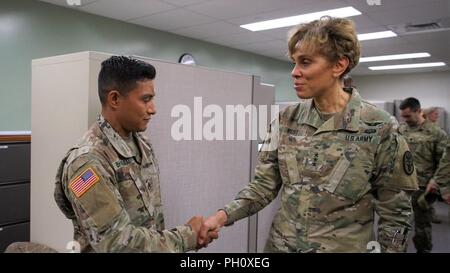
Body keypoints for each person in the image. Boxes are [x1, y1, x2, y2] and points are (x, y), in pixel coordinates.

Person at [199, 16, 418, 253]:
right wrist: (222, 216)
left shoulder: (379, 127)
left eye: (305, 62)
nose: (294, 72)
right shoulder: (285, 120)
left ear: (338, 66)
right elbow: (263, 186)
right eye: (294, 63)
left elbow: (396, 214)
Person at [54, 56, 215, 252]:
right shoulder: (86, 164)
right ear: (114, 99)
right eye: (145, 99)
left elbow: (150, 224)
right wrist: (186, 236)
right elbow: (116, 242)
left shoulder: (142, 144)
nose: (153, 109)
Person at [398, 98, 448, 253]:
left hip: (423, 189)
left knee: (422, 229)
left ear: (418, 111)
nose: (404, 120)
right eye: (403, 116)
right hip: (400, 188)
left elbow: (444, 163)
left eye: (408, 116)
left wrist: (437, 184)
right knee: (397, 228)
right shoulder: (401, 130)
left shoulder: (436, 133)